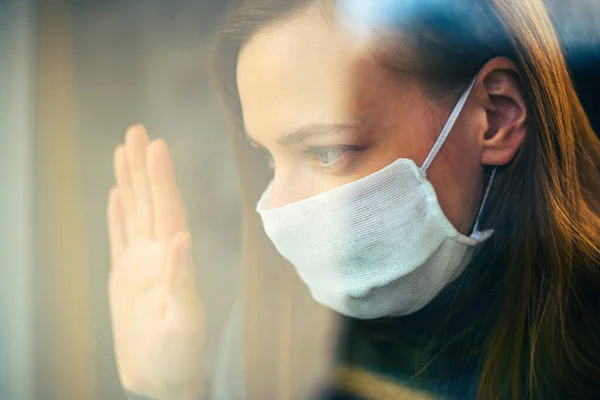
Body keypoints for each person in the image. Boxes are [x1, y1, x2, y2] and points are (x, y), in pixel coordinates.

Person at [106, 0, 600, 399]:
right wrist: (171, 390)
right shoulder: (275, 333)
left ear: (495, 116)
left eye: (327, 152)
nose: (278, 211)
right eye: (269, 160)